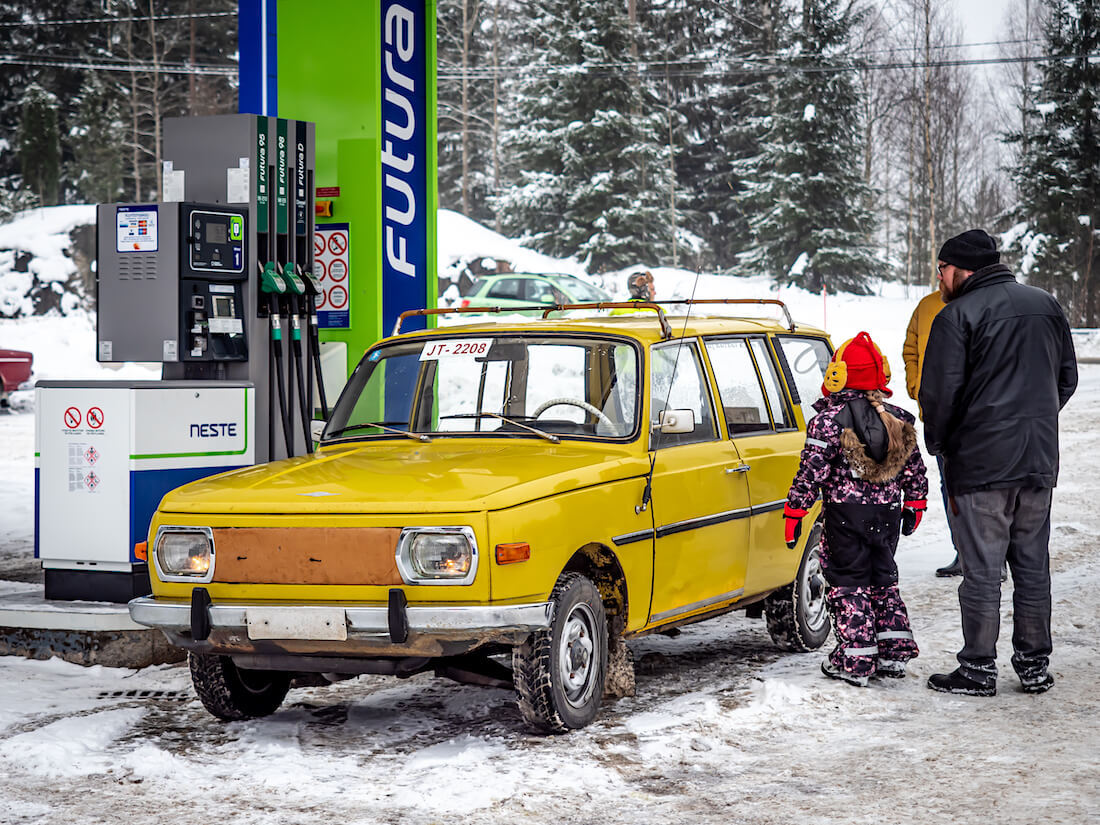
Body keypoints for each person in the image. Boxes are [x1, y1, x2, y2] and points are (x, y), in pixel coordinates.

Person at [920, 229, 1078, 696]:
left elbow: (940, 396)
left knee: (983, 569)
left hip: (982, 465)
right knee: (1032, 565)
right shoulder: (1046, 305)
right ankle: (1034, 665)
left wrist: (944, 445)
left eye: (942, 269)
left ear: (962, 269)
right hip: (1038, 459)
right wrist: (1034, 423)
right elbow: (1065, 379)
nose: (940, 278)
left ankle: (977, 668)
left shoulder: (957, 316)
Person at [784, 332, 928, 687]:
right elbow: (915, 468)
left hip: (845, 517)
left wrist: (795, 512)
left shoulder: (828, 421)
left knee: (849, 583)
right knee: (883, 580)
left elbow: (812, 470)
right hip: (887, 516)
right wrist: (915, 502)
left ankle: (856, 659)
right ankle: (892, 653)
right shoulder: (899, 418)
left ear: (839, 375)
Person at [903, 289, 967, 577]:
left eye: (945, 268)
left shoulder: (978, 303)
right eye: (938, 268)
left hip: (976, 417)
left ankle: (992, 555)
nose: (939, 275)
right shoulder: (927, 305)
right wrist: (918, 388)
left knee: (983, 487)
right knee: (950, 484)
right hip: (939, 415)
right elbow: (911, 349)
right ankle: (964, 552)